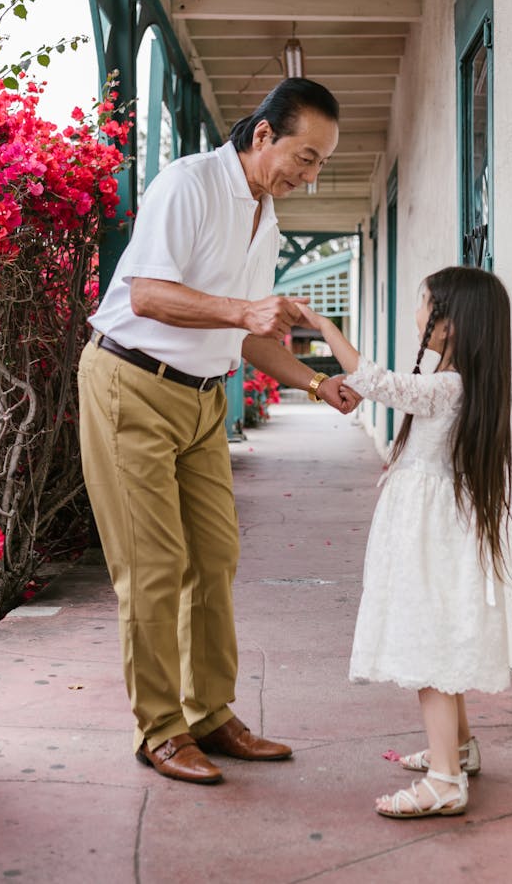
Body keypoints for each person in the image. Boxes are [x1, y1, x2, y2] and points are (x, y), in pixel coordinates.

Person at [77, 78, 358, 786]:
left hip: (202, 399)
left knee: (215, 557)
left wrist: (315, 383)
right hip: (132, 384)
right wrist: (242, 312)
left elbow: (253, 333)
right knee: (154, 565)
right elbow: (146, 293)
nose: (311, 174)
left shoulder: (267, 217)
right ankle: (160, 728)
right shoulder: (190, 184)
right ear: (263, 134)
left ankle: (207, 711)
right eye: (306, 155)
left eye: (322, 162)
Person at [297, 265, 512, 818]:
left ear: (450, 325)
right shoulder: (461, 381)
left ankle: (445, 781)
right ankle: (459, 750)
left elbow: (381, 383)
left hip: (426, 531)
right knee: (437, 634)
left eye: (424, 303)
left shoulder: (448, 385)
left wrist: (324, 325)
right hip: (432, 525)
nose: (417, 311)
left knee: (427, 645)